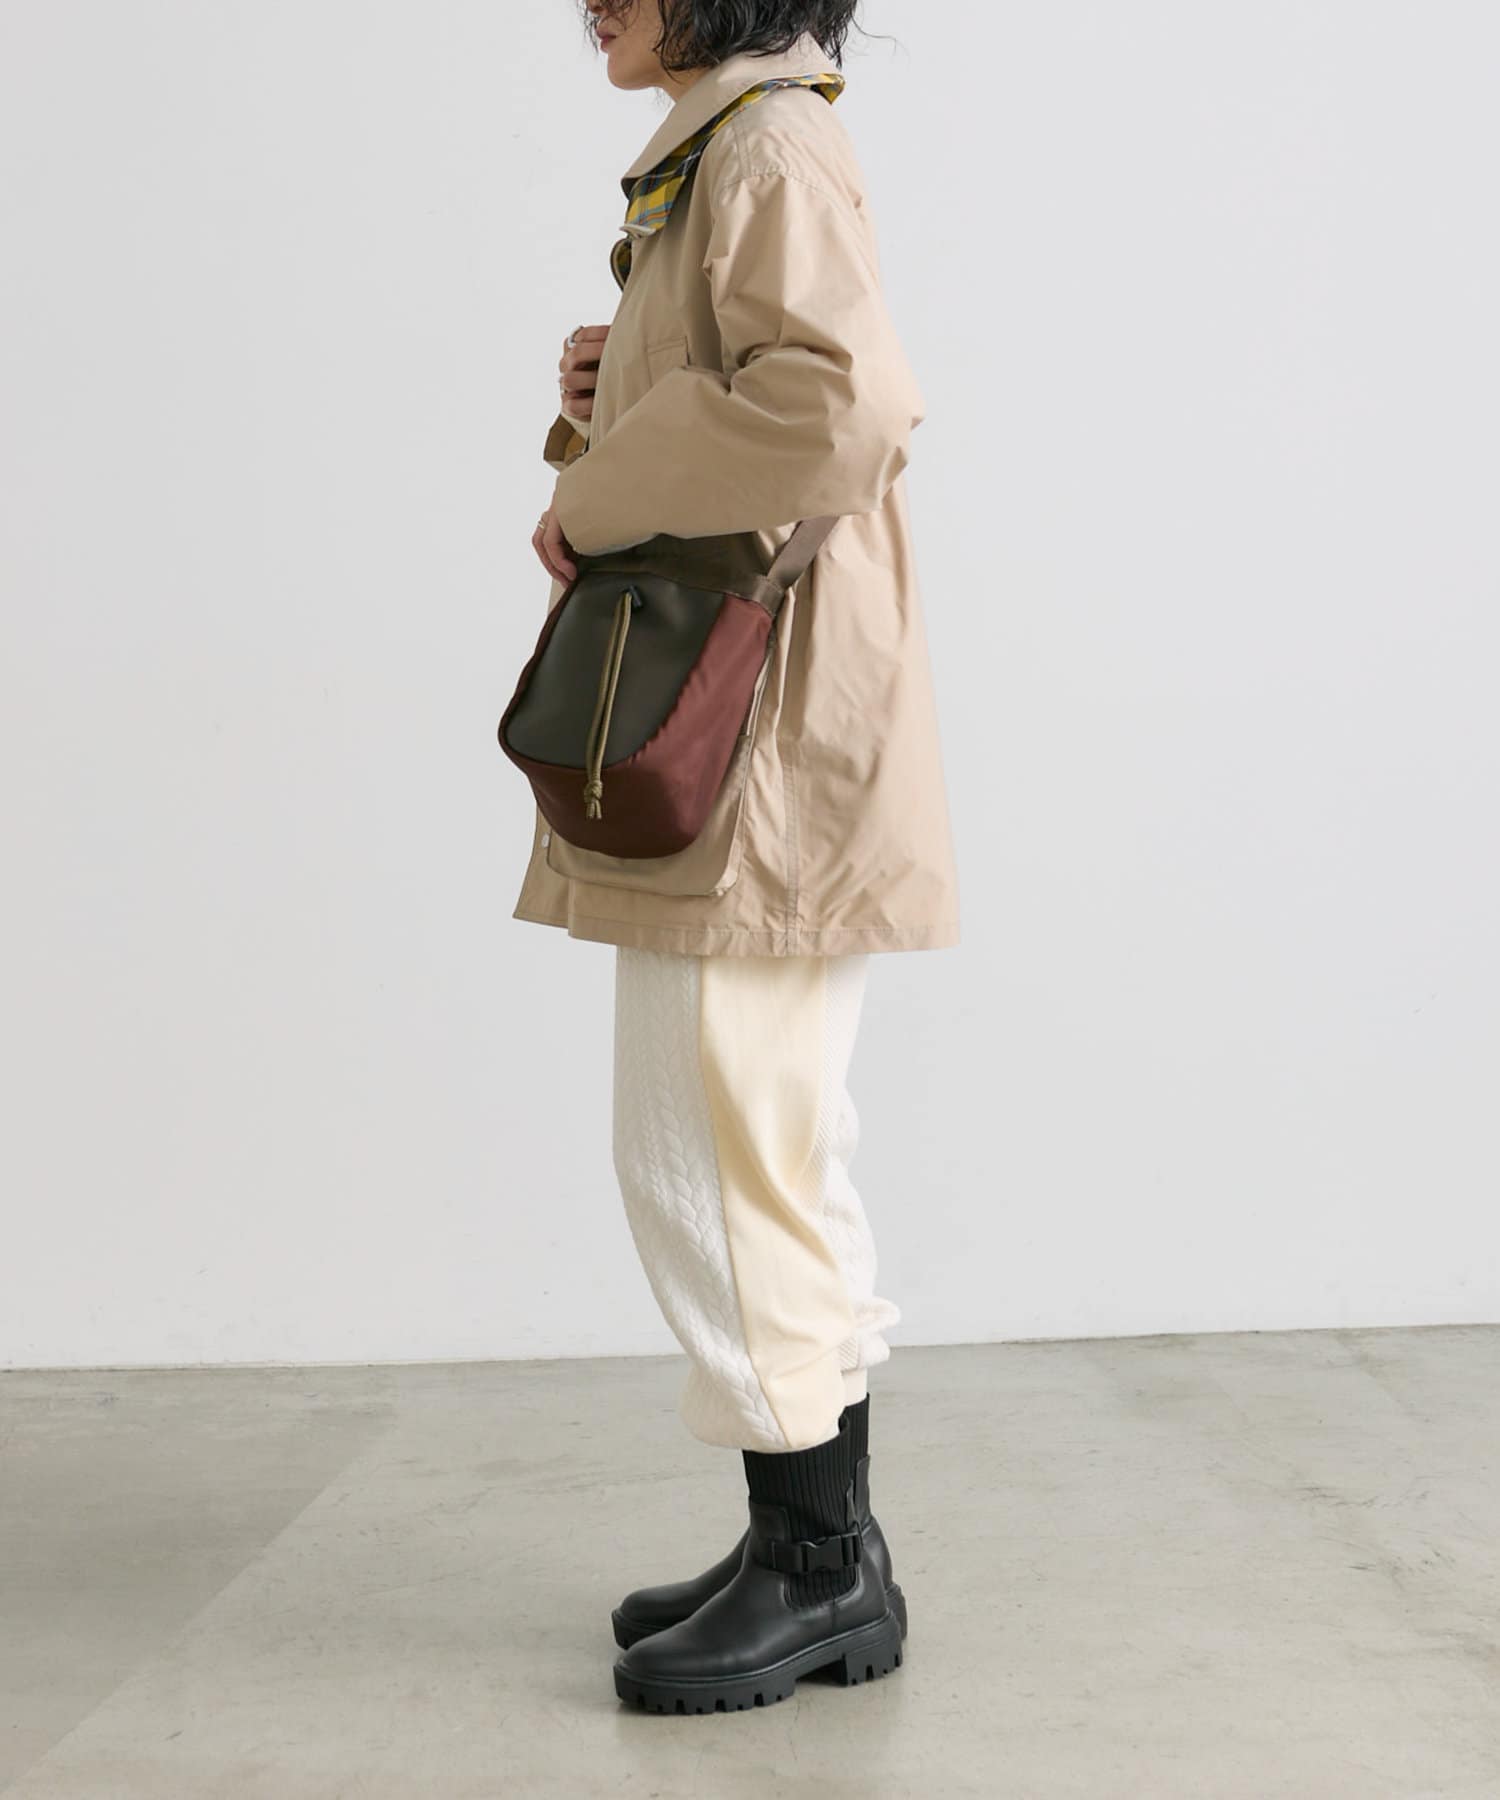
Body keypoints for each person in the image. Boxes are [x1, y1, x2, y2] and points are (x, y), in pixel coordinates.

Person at [514, 0, 961, 1712]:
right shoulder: (739, 143)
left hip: (762, 727)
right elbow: (771, 394)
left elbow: (843, 404)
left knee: (719, 1142)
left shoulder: (764, 145)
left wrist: (604, 481)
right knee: (753, 1134)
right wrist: (618, 392)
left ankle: (818, 1565)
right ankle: (813, 1536)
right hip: (755, 711)